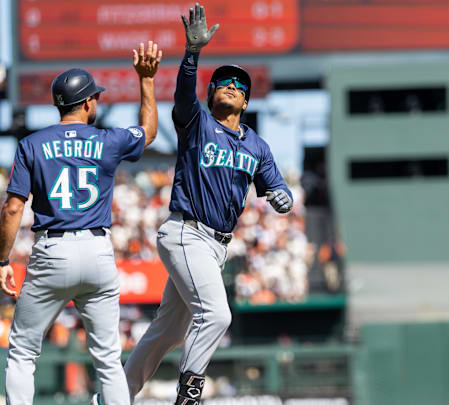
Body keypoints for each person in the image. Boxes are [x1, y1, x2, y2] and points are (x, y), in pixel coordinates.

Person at [122, 4, 293, 405]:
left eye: (239, 84)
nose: (232, 85)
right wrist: (192, 55)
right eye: (223, 82)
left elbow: (275, 187)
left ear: (247, 101)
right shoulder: (197, 124)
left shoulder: (257, 145)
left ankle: (113, 397)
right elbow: (183, 96)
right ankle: (190, 394)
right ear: (211, 93)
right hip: (187, 231)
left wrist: (283, 196)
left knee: (167, 332)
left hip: (215, 247)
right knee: (217, 315)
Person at [0, 41, 162, 405]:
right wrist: (146, 80)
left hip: (52, 249)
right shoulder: (107, 140)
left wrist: (3, 260)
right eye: (95, 99)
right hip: (97, 248)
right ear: (87, 103)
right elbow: (148, 131)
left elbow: (12, 208)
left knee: (23, 351)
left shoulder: (32, 144)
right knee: (107, 359)